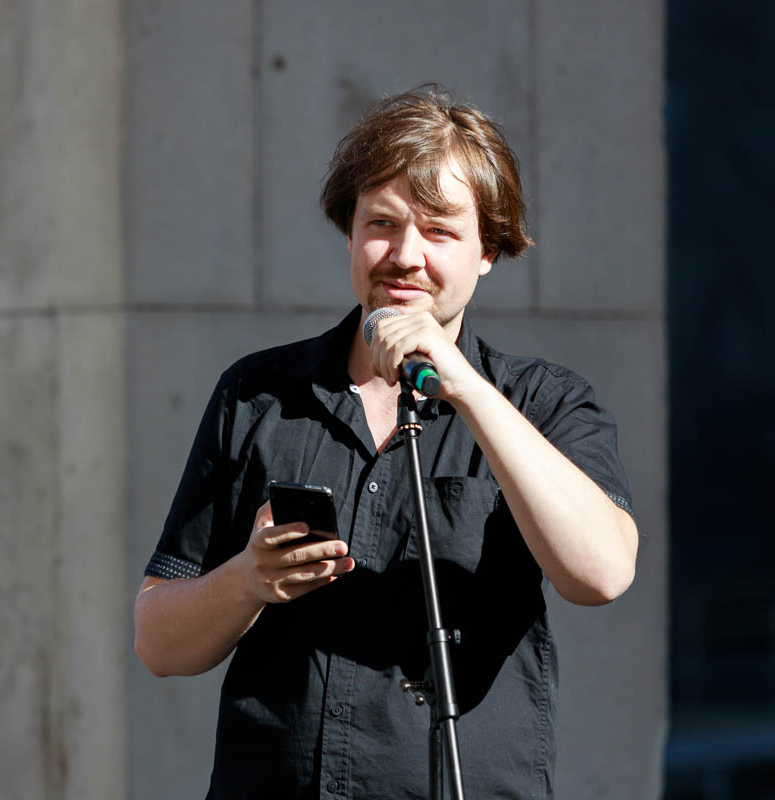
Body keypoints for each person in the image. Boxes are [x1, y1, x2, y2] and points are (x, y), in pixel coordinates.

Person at [134, 84, 638, 799]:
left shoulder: (544, 403)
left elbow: (602, 574)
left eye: (439, 231)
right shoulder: (257, 394)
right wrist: (246, 580)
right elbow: (158, 642)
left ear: (488, 250)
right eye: (382, 223)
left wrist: (465, 389)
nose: (405, 255)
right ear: (349, 233)